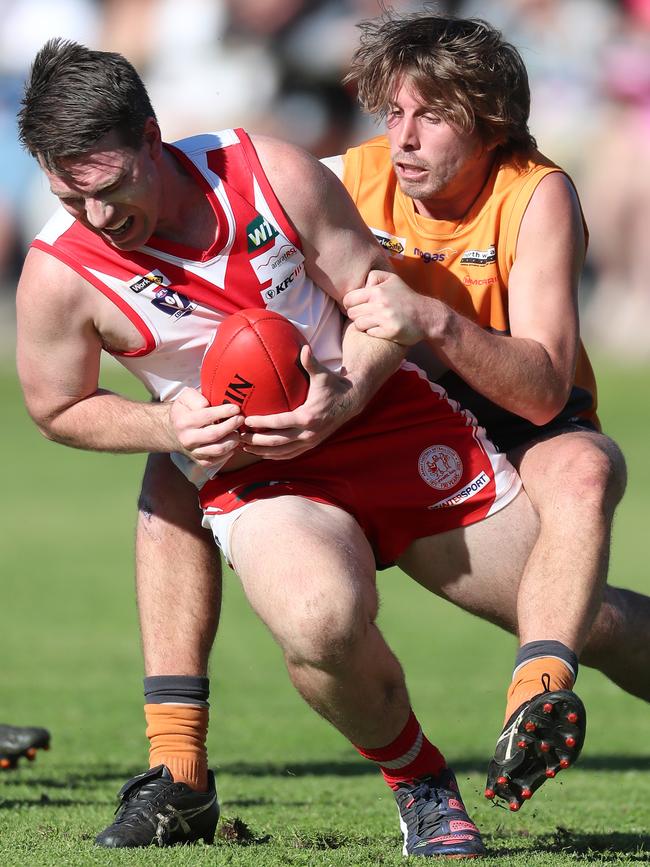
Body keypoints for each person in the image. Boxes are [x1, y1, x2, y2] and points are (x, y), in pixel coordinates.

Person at [15, 37, 552, 857]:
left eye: (111, 186)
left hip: (387, 420)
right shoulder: (59, 273)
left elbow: (378, 297)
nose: (97, 217)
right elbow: (56, 406)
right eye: (68, 192)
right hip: (261, 480)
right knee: (319, 621)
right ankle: (422, 786)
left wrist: (345, 391)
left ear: (153, 137)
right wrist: (167, 426)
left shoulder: (269, 172)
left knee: (583, 616)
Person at [335, 8, 649, 808]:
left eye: (431, 117)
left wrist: (432, 318)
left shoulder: (536, 192)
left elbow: (544, 389)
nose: (402, 138)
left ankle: (536, 696)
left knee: (587, 466)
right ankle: (174, 756)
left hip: (518, 413)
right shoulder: (347, 178)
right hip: (394, 429)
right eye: (393, 112)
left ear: (489, 125)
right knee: (592, 618)